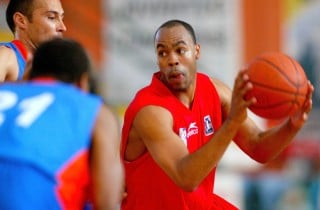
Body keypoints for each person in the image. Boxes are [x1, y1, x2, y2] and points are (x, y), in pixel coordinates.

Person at [120, 19, 314, 210]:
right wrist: (231, 123)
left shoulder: (216, 91)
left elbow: (258, 147)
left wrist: (292, 125)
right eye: (162, 53)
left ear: (196, 51)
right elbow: (185, 177)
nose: (172, 60)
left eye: (180, 50)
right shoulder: (150, 110)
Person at [0, 38, 124, 210]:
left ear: (29, 72)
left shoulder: (5, 89)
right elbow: (106, 202)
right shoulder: (95, 110)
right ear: (83, 82)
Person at [0, 0, 66, 82]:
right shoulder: (6, 55)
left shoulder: (52, 69)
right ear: (21, 20)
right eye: (52, 17)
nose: (63, 27)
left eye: (62, 18)